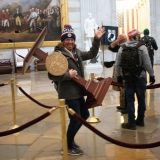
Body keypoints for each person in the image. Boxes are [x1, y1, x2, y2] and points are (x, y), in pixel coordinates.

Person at [48, 24, 105, 155]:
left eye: (72, 39)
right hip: (68, 93)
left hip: (79, 91)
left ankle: (70, 142)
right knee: (76, 118)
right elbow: (51, 75)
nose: (70, 42)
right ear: (63, 41)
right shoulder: (57, 55)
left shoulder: (76, 52)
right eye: (67, 40)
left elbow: (92, 53)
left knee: (84, 115)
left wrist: (96, 39)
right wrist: (68, 75)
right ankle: (67, 146)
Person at [116, 29, 155, 130]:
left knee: (129, 100)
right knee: (142, 99)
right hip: (140, 77)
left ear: (129, 37)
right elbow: (147, 63)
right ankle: (140, 120)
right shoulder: (142, 47)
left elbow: (117, 65)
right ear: (137, 36)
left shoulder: (122, 48)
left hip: (128, 78)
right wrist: (152, 75)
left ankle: (131, 123)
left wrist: (119, 77)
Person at [108, 34, 127, 114]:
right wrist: (117, 41)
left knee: (124, 89)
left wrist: (118, 40)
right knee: (121, 89)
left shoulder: (125, 46)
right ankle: (122, 105)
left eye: (118, 38)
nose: (116, 39)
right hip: (119, 69)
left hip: (124, 71)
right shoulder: (120, 46)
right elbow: (110, 47)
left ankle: (126, 107)